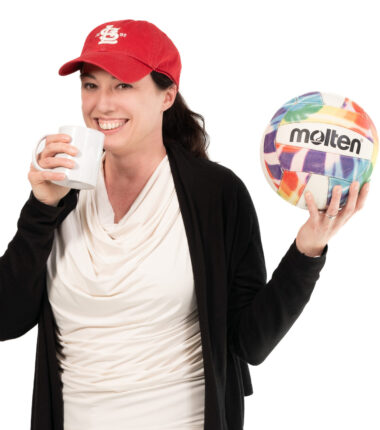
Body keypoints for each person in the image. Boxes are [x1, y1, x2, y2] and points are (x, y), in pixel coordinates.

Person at [0, 19, 369, 430]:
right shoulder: (61, 192)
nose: (101, 104)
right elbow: (6, 319)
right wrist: (39, 208)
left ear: (167, 95)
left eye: (123, 85)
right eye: (90, 85)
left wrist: (308, 249)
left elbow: (250, 341)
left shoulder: (216, 195)